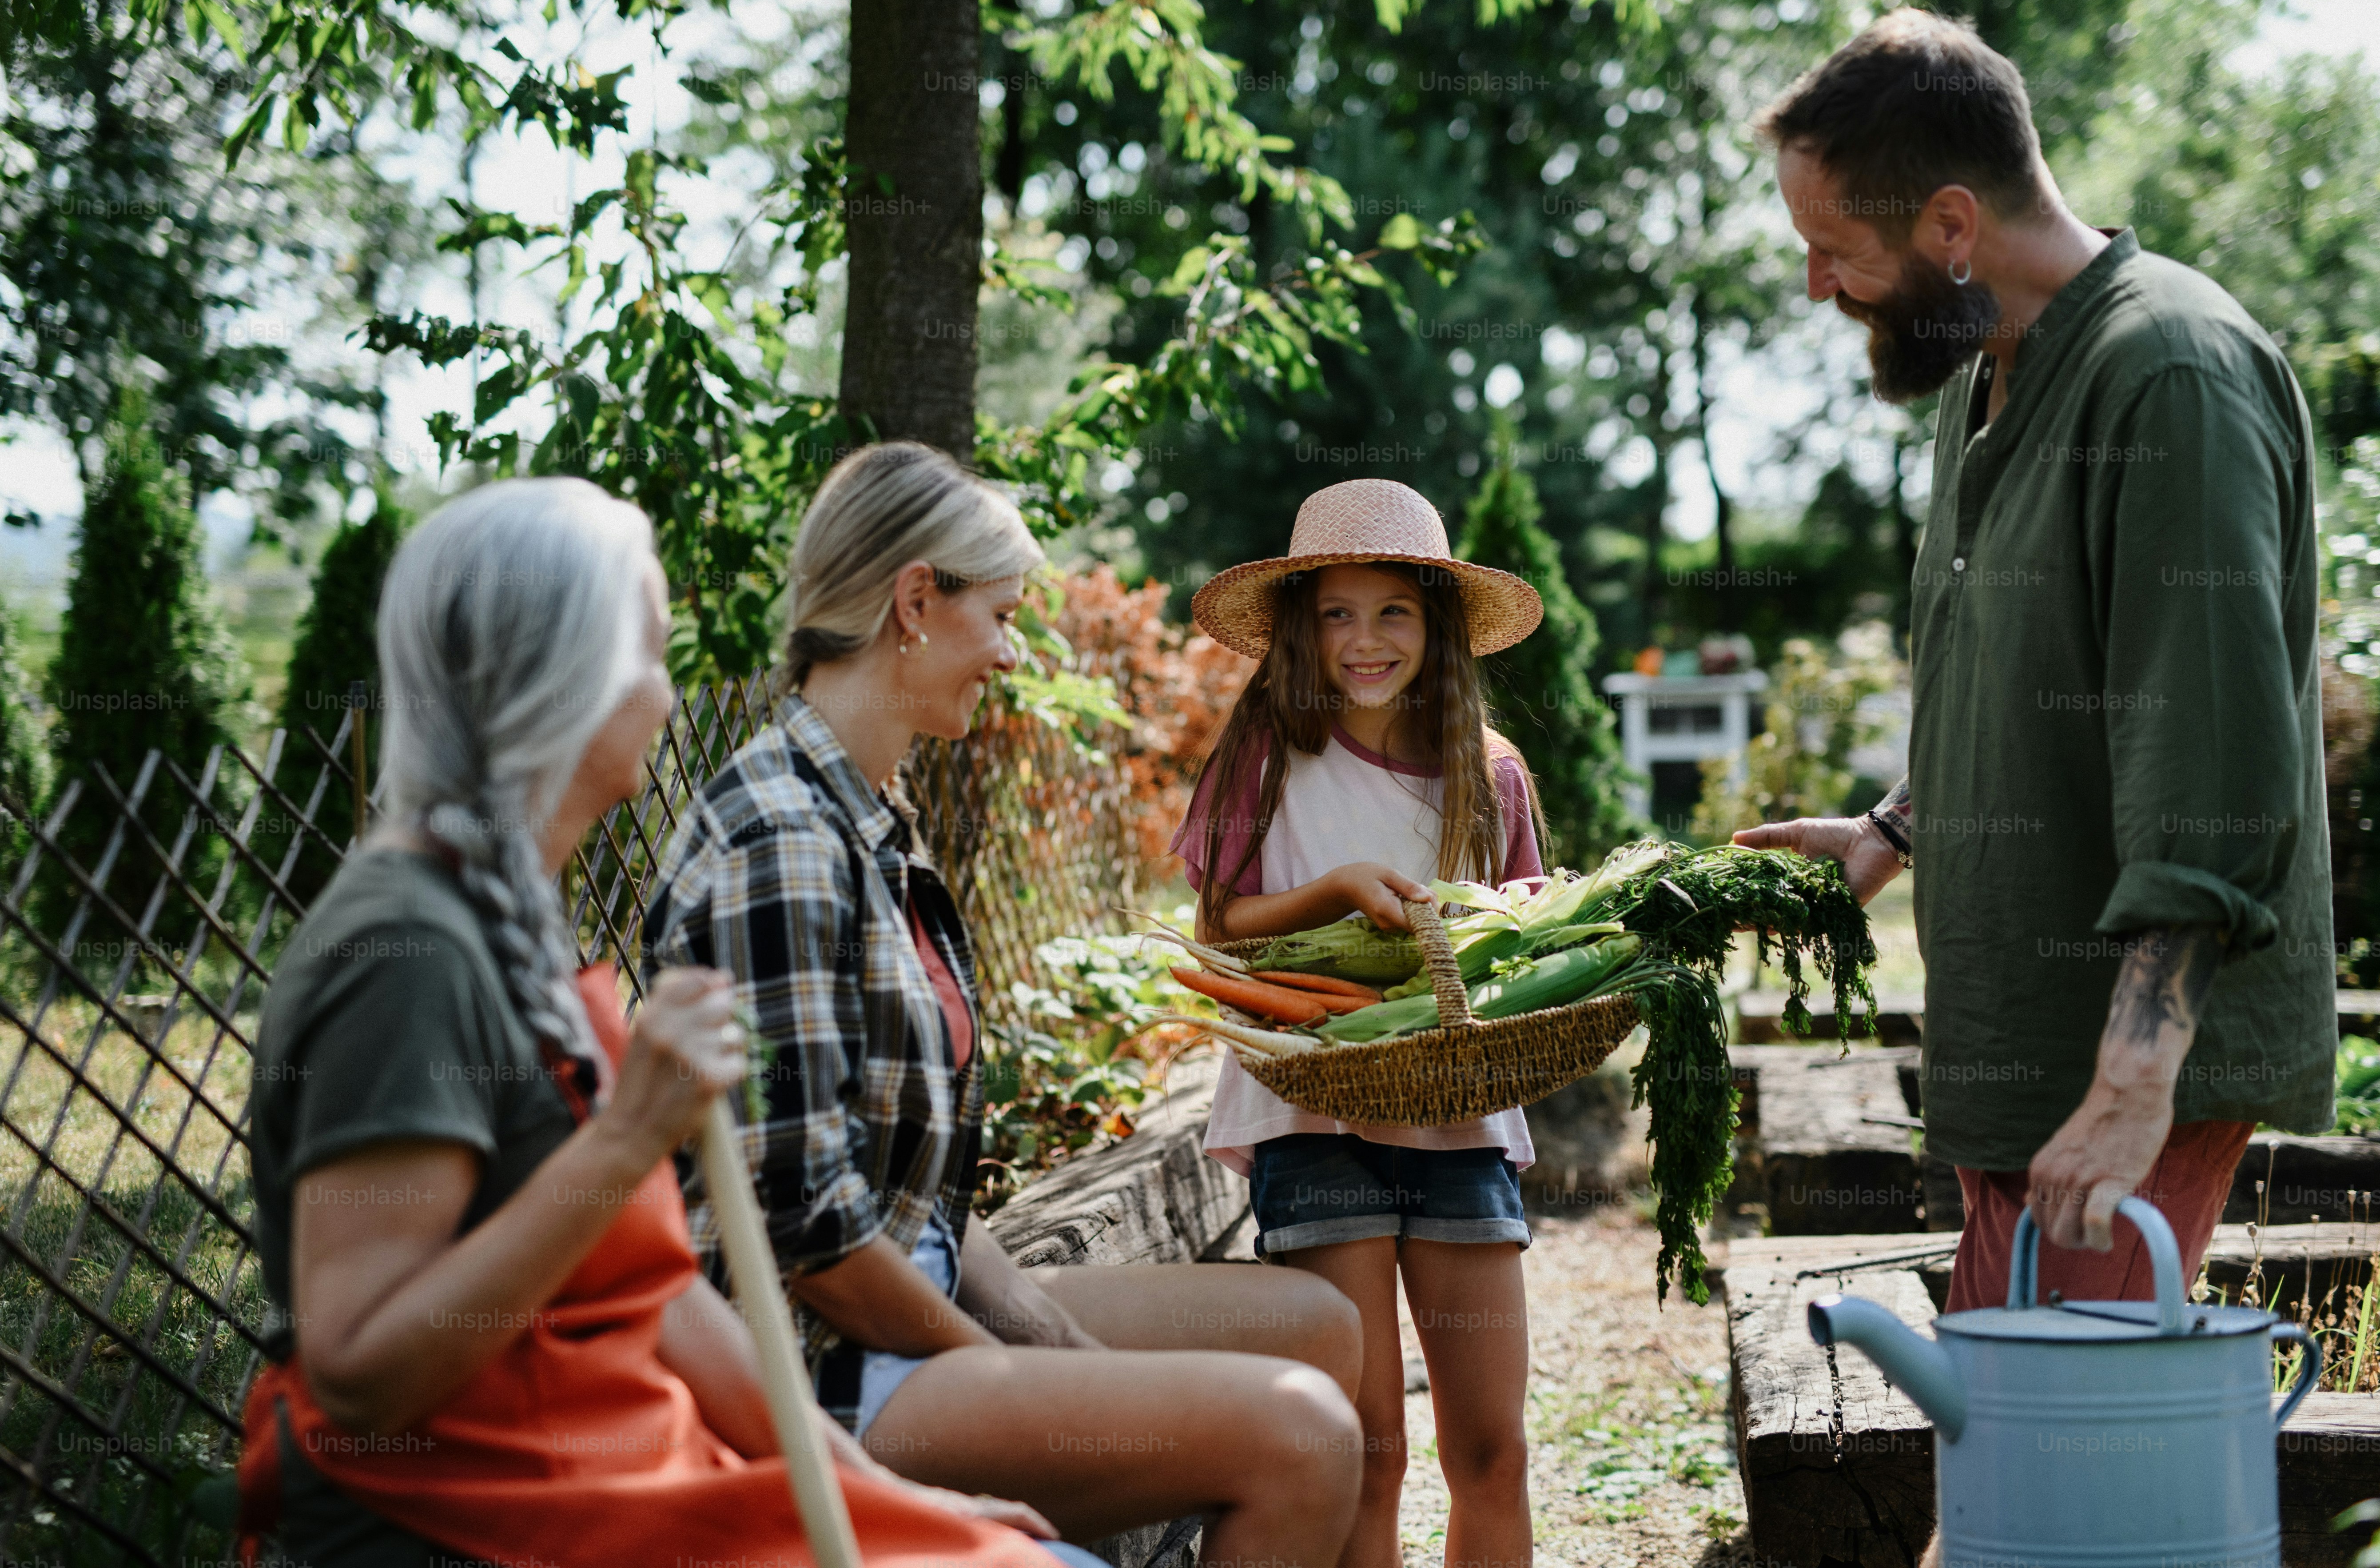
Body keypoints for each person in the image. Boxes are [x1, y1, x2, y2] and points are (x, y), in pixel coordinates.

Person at [239, 477, 1072, 1568]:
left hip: (618, 1476)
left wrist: (886, 1497)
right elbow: (358, 1370)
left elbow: (663, 1294)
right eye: (652, 655)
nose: (673, 698)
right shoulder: (408, 952)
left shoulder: (512, 916)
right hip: (478, 1525)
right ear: (560, 676)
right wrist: (629, 1136)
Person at [641, 443, 1367, 1567]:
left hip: (904, 1302)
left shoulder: (874, 815)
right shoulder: (781, 839)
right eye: (1002, 613)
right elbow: (813, 1236)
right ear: (916, 601)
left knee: (1317, 1328)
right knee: (1303, 1434)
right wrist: (1059, 1364)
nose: (1013, 649)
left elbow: (912, 1193)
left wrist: (1052, 1342)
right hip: (817, 1368)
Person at [1735, 11, 2336, 1316]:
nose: (1817, 287)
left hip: (2120, 1070)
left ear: (1951, 227)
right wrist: (1898, 825)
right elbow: (2018, 672)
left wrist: (2131, 1086)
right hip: (2019, 1034)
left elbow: (2220, 771)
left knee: (2061, 1480)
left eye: (1836, 250)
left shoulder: (2169, 374)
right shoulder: (1984, 375)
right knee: (2011, 1454)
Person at [1170, 477, 1550, 1568]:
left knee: (1493, 1450)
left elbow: (1528, 934)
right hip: (1312, 1108)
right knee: (1367, 1447)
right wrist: (1334, 889)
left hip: (1458, 1116)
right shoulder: (1266, 754)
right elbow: (1223, 926)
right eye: (1339, 611)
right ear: (1302, 625)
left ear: (1437, 624)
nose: (1367, 638)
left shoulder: (1492, 774)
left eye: (1395, 610)